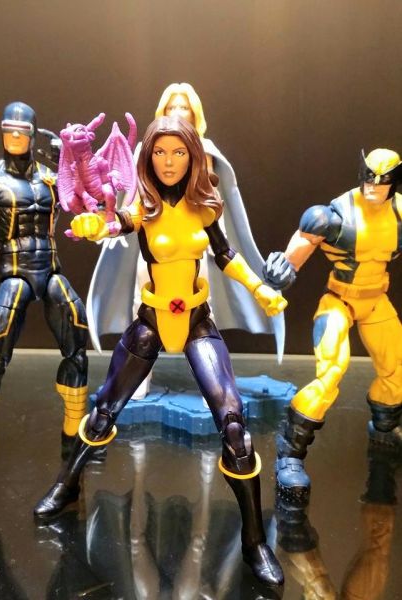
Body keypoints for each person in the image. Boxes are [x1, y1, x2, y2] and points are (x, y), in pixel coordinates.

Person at [34, 116, 286, 586]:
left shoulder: (204, 207)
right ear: (148, 157)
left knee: (234, 427)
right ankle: (66, 485)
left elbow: (225, 255)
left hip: (196, 322)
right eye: (160, 152)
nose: (169, 162)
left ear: (193, 156)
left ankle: (254, 542)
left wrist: (260, 289)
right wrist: (94, 225)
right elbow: (116, 223)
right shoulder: (143, 208)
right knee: (104, 412)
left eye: (179, 152)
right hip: (151, 323)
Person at [86, 83, 285, 383]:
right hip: (155, 238)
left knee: (202, 310)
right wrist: (103, 224)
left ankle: (207, 377)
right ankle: (140, 378)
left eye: (184, 107)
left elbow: (212, 198)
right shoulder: (147, 148)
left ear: (195, 113)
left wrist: (257, 287)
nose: (169, 162)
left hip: (193, 239)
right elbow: (129, 207)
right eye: (172, 107)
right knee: (143, 308)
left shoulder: (203, 151)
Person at [0, 101, 89, 485]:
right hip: (15, 273)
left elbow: (88, 199)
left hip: (52, 269)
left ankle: (73, 435)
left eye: (21, 131)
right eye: (8, 130)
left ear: (32, 134)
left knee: (77, 345)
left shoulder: (52, 178)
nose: (13, 137)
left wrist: (72, 160)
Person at [264, 148, 402, 501]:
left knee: (396, 368)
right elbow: (296, 253)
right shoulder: (333, 216)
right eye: (369, 177)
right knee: (331, 373)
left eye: (382, 180)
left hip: (376, 300)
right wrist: (281, 271)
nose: (373, 186)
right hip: (339, 300)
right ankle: (290, 454)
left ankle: (385, 430)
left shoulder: (399, 213)